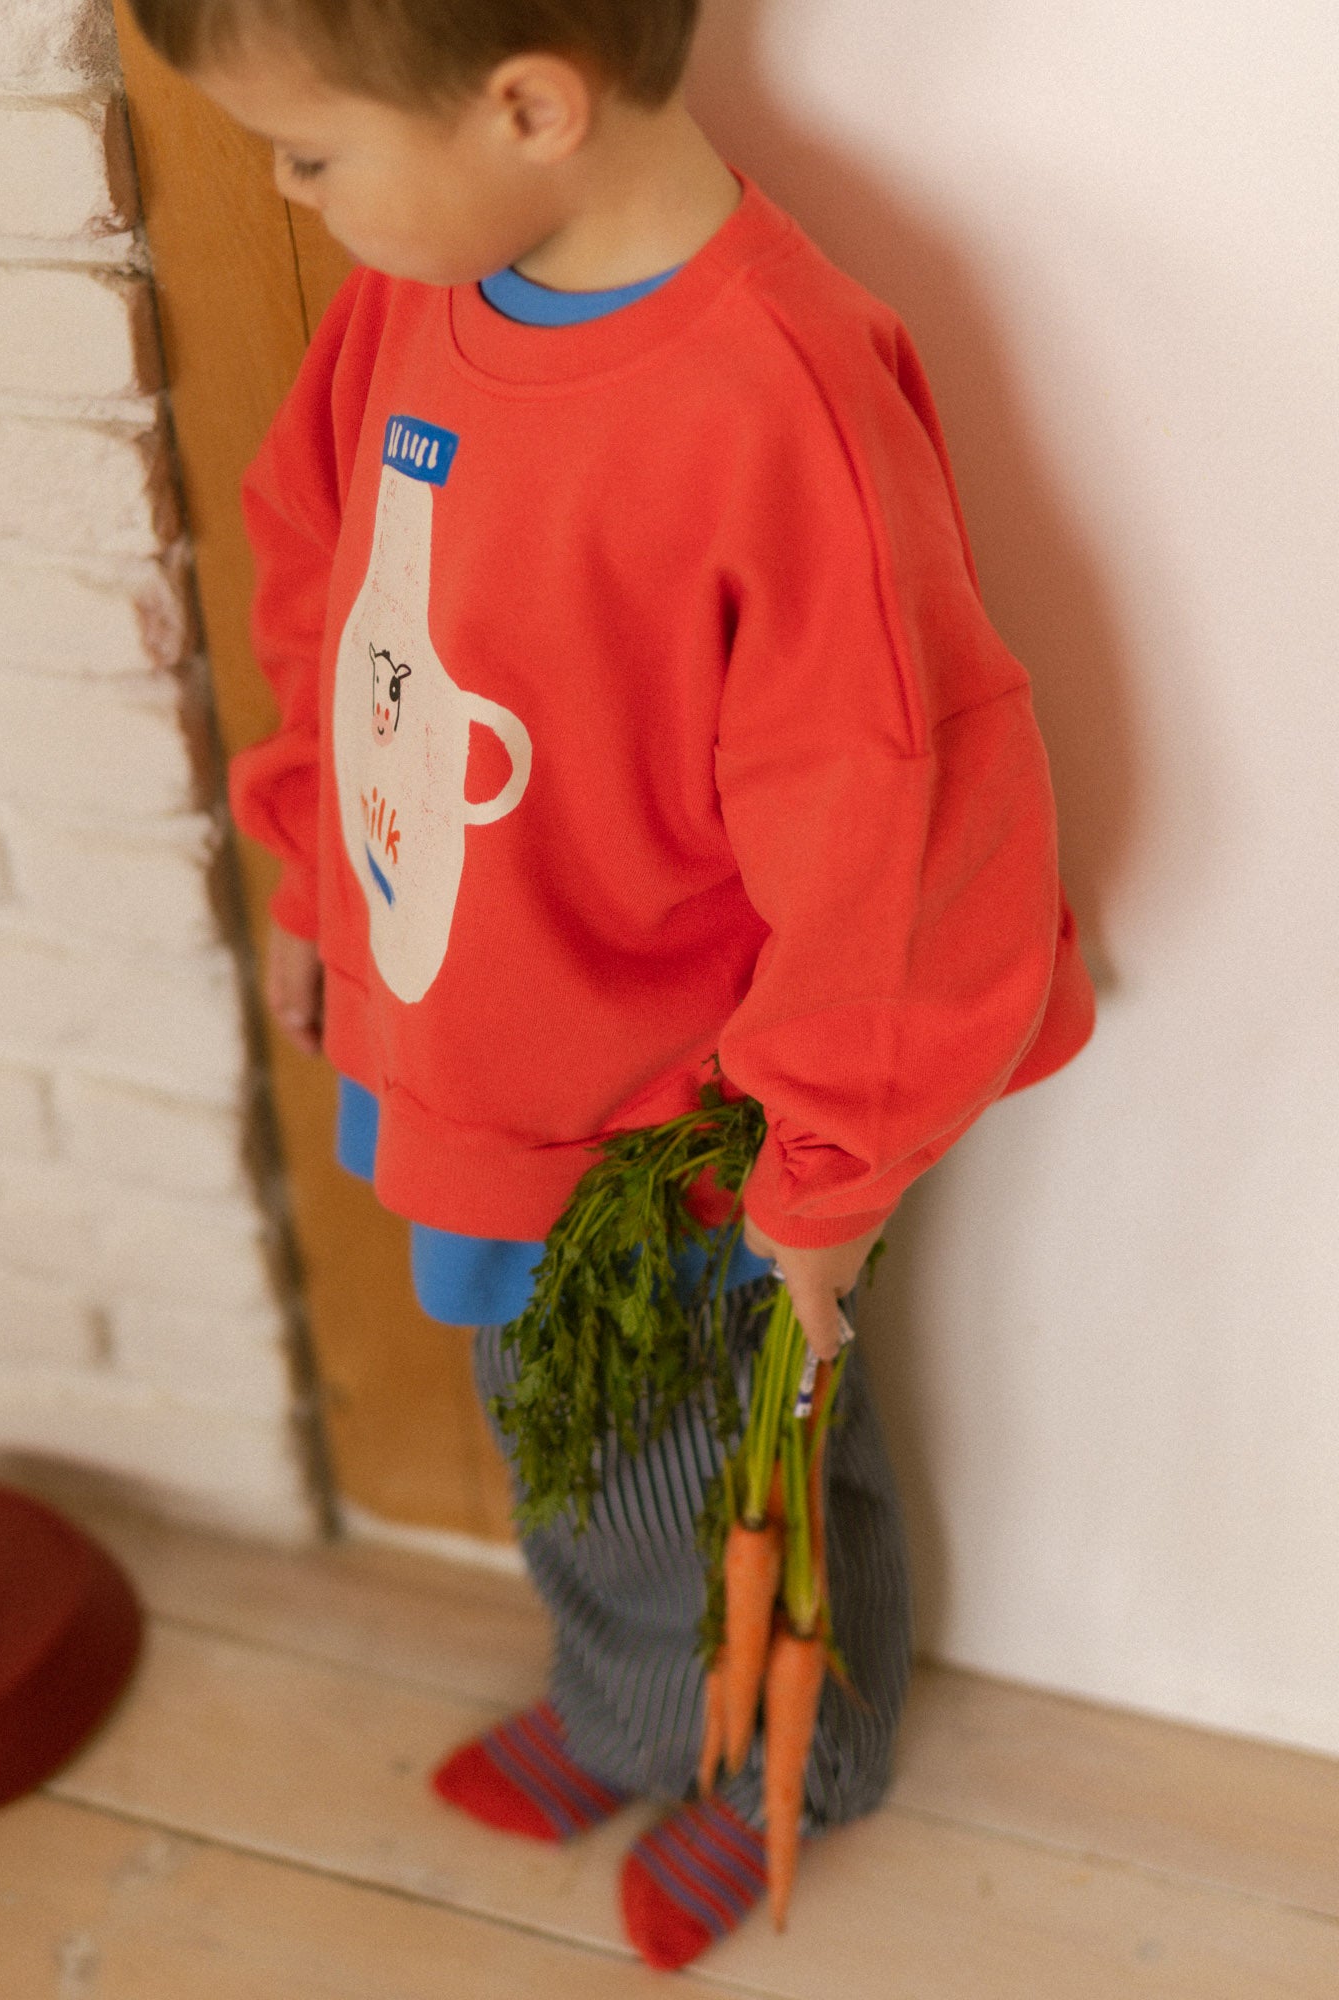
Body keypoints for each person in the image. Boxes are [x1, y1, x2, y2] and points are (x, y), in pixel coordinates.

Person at [129, 0, 1096, 1969]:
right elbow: (328, 586)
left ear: (527, 107)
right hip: (469, 1041)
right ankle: (631, 1708)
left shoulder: (771, 406)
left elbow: (893, 832)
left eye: (309, 152)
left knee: (711, 1458)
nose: (290, 194)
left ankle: (787, 1764)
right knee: (562, 1432)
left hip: (675, 1122)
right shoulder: (420, 296)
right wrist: (311, 871)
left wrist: (823, 1172)